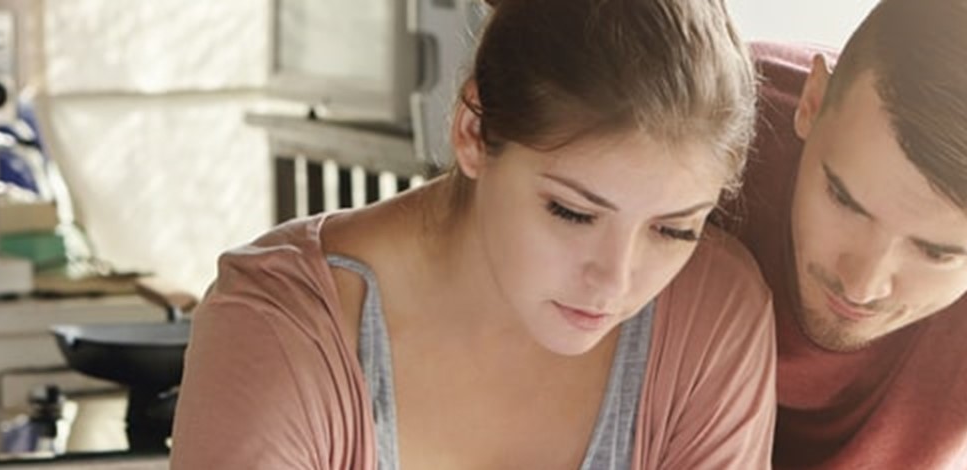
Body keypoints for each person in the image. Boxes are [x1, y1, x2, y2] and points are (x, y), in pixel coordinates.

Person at [169, 0, 775, 468]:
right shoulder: (281, 327)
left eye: (673, 230)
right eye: (571, 213)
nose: (615, 282)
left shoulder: (712, 315)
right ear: (471, 133)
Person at [720, 0, 967, 468]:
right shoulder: (706, 128)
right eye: (844, 200)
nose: (861, 284)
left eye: (936, 252)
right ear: (812, 103)